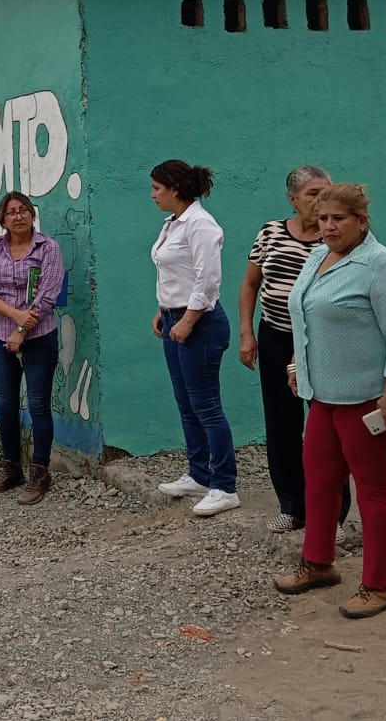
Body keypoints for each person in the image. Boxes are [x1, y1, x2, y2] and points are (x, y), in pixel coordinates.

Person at [273, 183, 386, 619]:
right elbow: (303, 318)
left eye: (338, 218)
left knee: (374, 490)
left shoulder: (383, 266)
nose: (329, 226)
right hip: (323, 397)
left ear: (361, 220)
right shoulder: (318, 257)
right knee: (318, 482)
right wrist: (297, 367)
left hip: (367, 399)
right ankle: (318, 562)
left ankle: (383, 584)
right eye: (322, 219)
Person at [239, 165, 349, 539]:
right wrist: (247, 334)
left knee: (327, 427)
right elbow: (250, 285)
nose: (322, 201)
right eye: (313, 193)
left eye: (327, 192)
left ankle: (334, 515)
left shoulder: (336, 239)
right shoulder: (271, 232)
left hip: (321, 341)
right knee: (281, 424)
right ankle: (292, 506)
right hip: (275, 337)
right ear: (293, 199)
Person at [149, 159, 239, 517]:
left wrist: (188, 320)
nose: (153, 195)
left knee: (207, 406)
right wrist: (163, 310)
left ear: (174, 189)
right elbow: (175, 274)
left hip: (200, 324)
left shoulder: (201, 224)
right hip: (175, 320)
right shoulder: (173, 222)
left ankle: (225, 485)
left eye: (157, 188)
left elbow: (208, 279)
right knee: (186, 403)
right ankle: (199, 474)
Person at [0, 190, 65, 506]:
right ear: (2, 219)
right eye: (12, 212)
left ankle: (40, 473)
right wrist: (15, 318)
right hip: (1, 337)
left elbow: (47, 295)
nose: (18, 216)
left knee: (38, 405)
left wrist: (22, 330)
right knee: (6, 405)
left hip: (39, 337)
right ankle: (11, 468)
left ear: (32, 214)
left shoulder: (47, 248)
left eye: (24, 210)